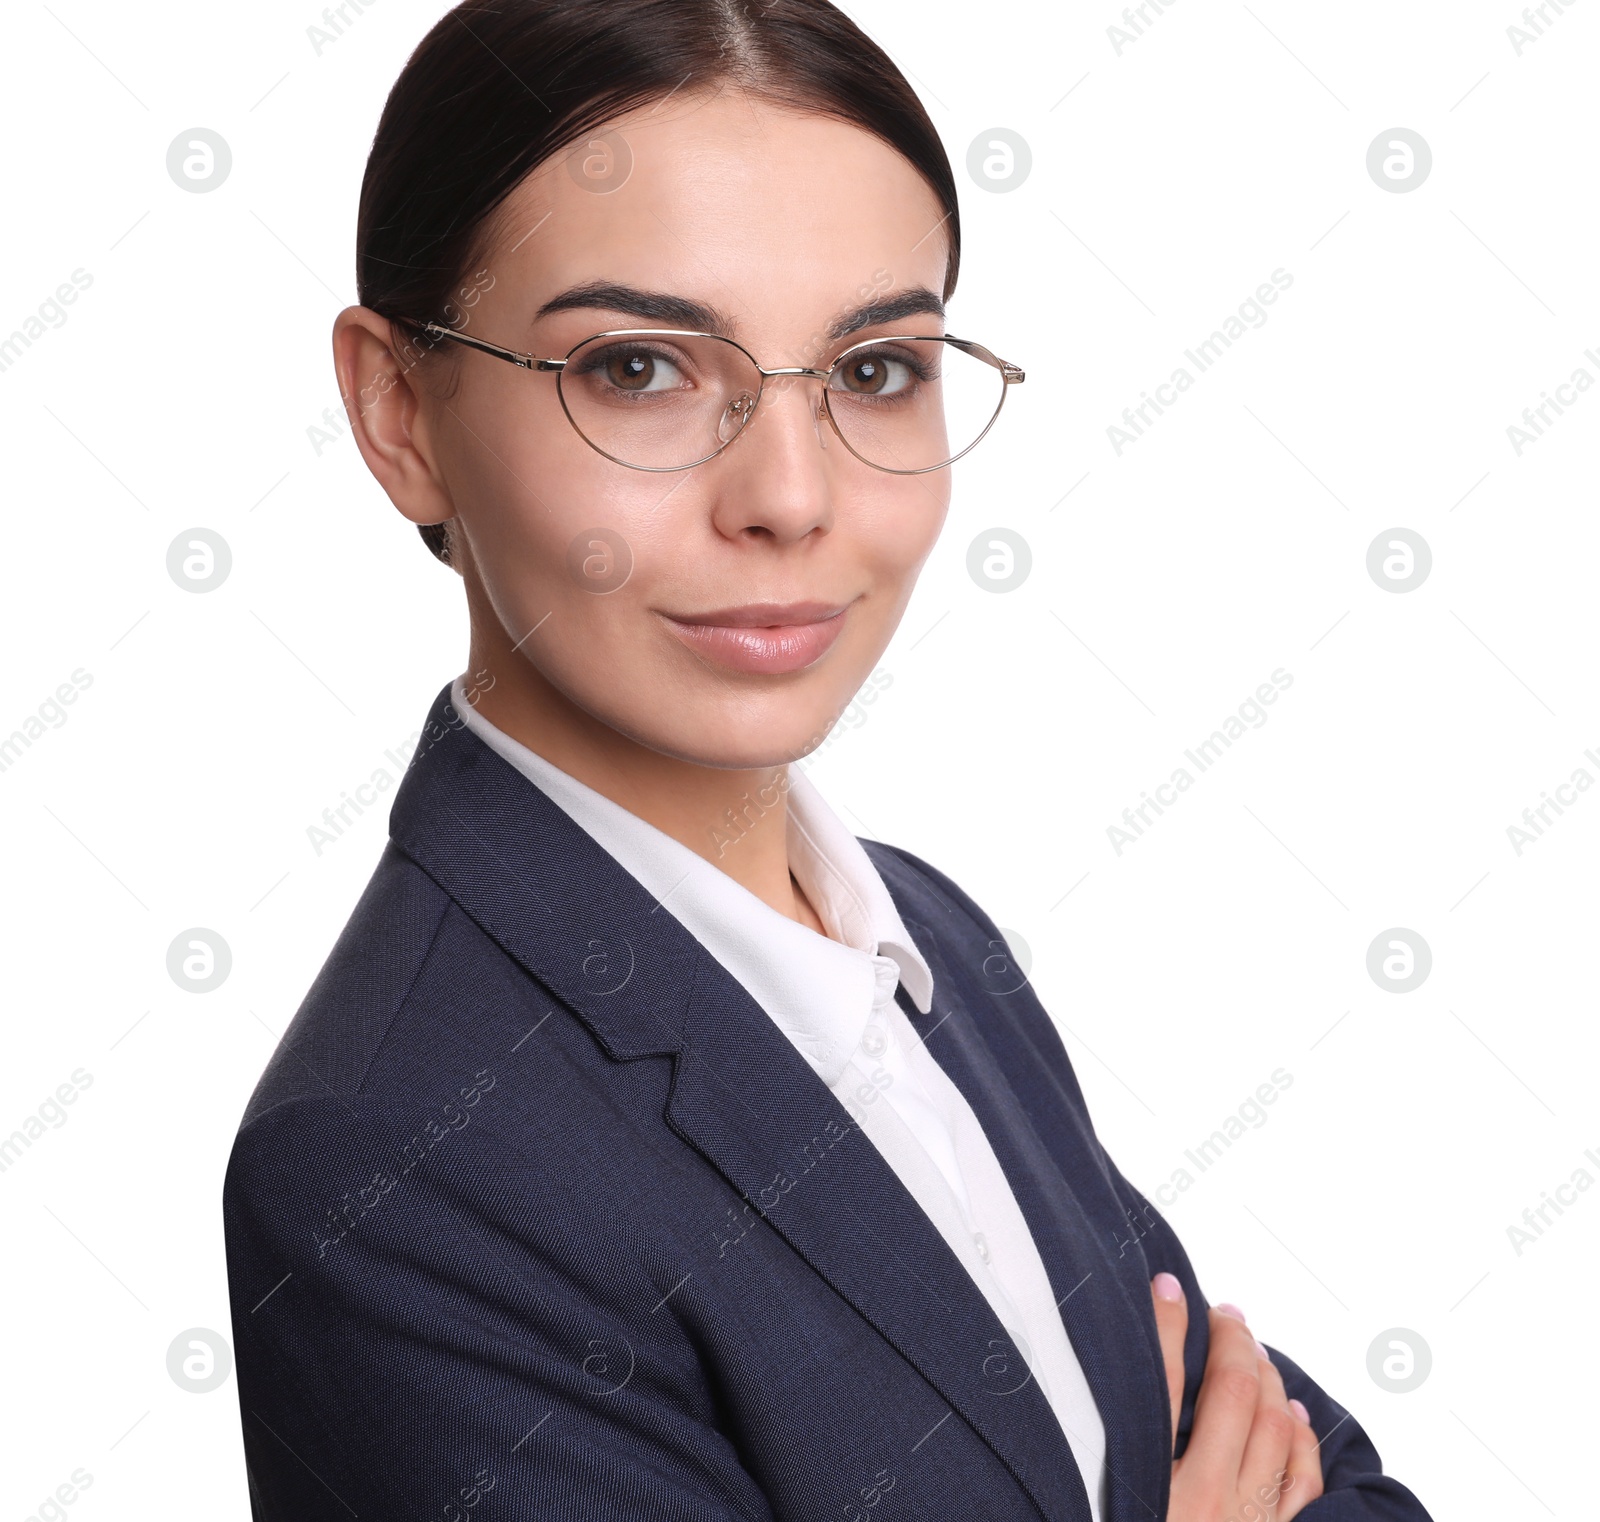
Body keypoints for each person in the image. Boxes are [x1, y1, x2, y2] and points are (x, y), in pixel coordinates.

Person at [222, 3, 1435, 1518]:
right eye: (642, 368)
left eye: (872, 371)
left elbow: (1329, 1475)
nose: (790, 500)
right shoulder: (393, 1156)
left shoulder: (925, 939)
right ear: (401, 411)